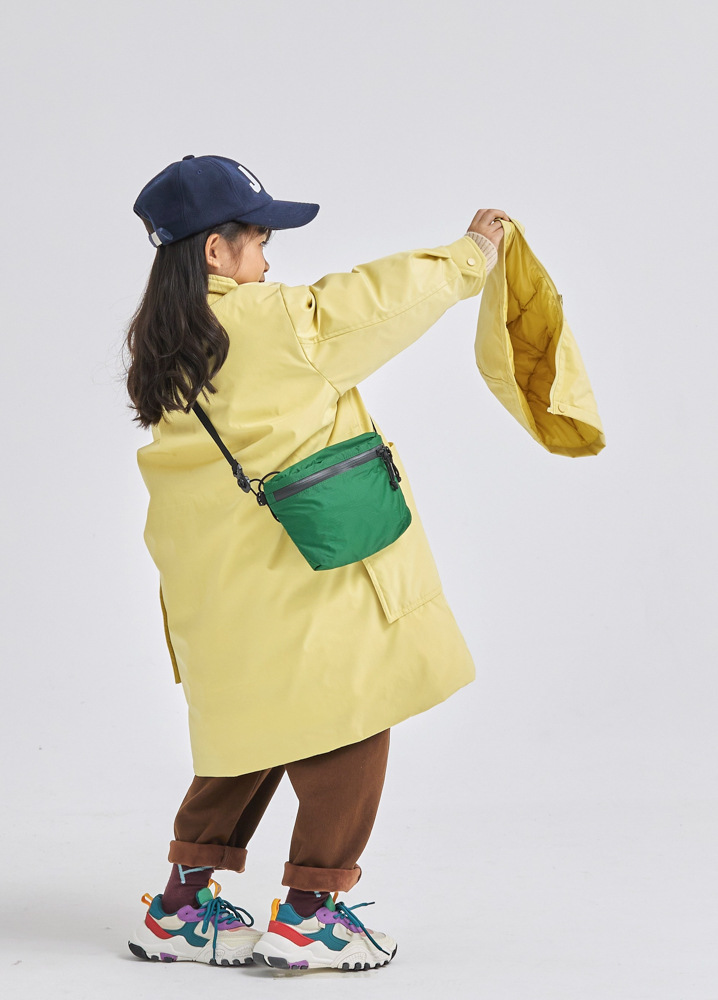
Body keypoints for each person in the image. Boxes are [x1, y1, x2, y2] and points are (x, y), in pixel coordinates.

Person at [123, 153, 509, 972]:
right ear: (215, 252)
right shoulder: (270, 323)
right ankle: (310, 914)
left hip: (220, 587)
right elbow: (373, 301)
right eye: (258, 241)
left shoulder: (164, 346)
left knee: (251, 730)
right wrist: (472, 254)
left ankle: (180, 908)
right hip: (303, 574)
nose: (268, 261)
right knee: (352, 712)